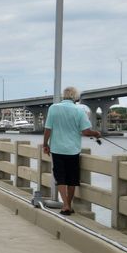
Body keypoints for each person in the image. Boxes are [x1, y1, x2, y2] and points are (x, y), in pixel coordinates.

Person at [42, 86, 101, 215]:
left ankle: (65, 205)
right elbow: (86, 131)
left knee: (61, 178)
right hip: (73, 150)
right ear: (76, 98)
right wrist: (96, 133)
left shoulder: (53, 108)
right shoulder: (80, 111)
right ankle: (69, 204)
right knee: (72, 179)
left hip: (57, 149)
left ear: (64, 96)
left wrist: (45, 144)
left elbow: (48, 129)